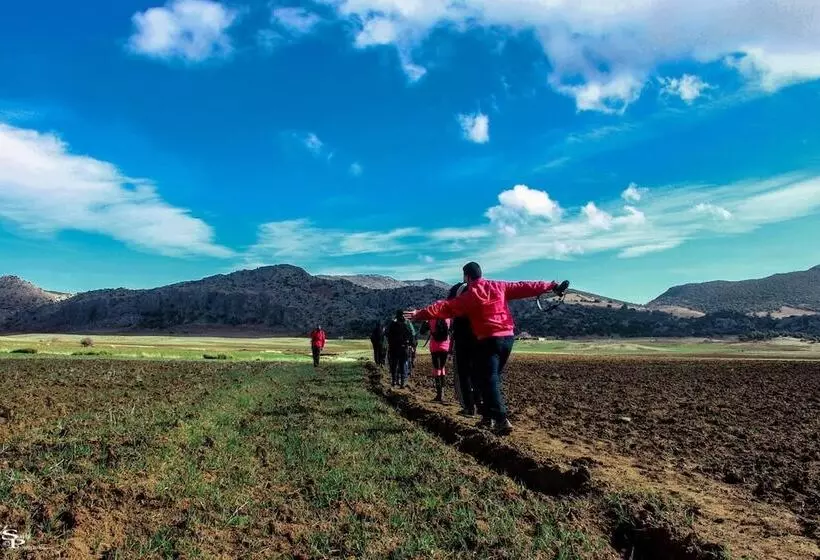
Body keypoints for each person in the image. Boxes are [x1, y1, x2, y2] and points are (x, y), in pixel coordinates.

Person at [407, 262, 567, 436]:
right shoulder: (498, 286)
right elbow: (525, 286)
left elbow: (444, 307)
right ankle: (488, 417)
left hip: (488, 340)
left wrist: (419, 314)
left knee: (488, 379)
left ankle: (501, 419)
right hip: (508, 338)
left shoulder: (470, 295)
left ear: (466, 276)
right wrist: (551, 286)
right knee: (489, 378)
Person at [448, 282, 482, 417]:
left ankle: (469, 407)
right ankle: (480, 404)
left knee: (463, 375)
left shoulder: (459, 309)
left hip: (463, 342)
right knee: (478, 375)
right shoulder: (479, 301)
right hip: (480, 341)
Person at [386, 310, 415, 388]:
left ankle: (394, 381)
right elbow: (412, 334)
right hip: (403, 347)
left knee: (394, 365)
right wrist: (411, 345)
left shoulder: (392, 324)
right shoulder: (406, 324)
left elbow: (386, 333)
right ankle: (402, 383)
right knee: (402, 365)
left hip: (393, 348)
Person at [426, 316, 451, 402]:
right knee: (442, 368)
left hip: (434, 347)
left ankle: (439, 394)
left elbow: (422, 331)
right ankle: (443, 394)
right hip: (445, 346)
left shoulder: (431, 319)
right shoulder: (448, 319)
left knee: (436, 369)